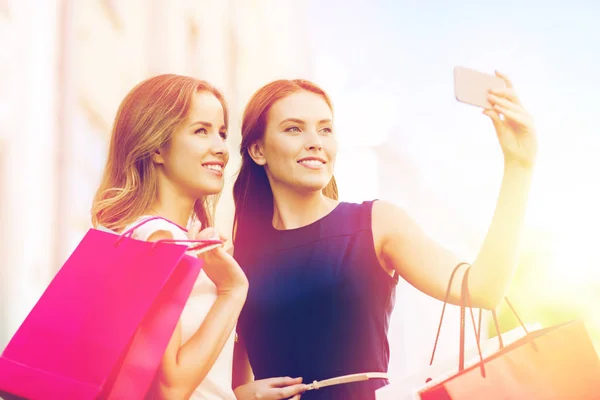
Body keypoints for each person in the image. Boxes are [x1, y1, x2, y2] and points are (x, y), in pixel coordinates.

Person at [231, 74, 536, 399]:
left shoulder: (376, 223)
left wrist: (520, 165)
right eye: (294, 128)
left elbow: (483, 290)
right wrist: (242, 394)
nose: (315, 141)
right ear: (258, 150)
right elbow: (239, 369)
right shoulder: (240, 254)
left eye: (325, 128)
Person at [91, 74, 248, 400]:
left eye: (221, 133)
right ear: (157, 147)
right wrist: (232, 291)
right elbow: (170, 388)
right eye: (200, 131)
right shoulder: (155, 240)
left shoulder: (177, 242)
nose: (220, 148)